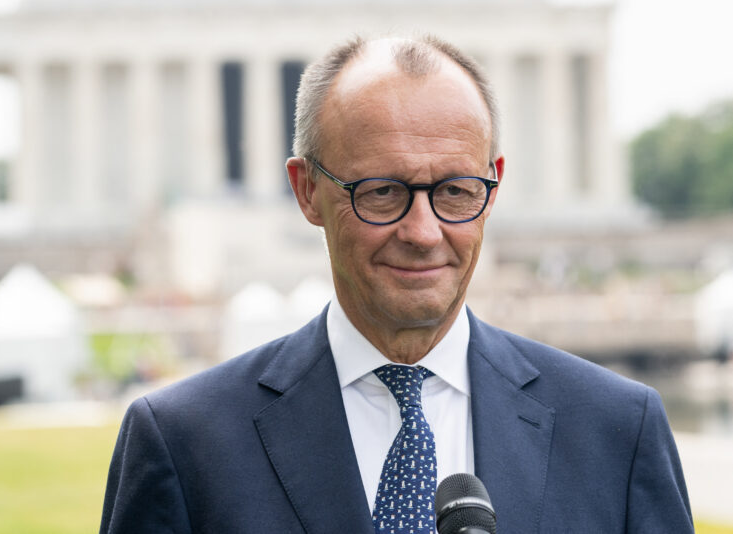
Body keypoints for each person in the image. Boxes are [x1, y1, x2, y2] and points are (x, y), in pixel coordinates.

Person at [100, 35, 693, 533]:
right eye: (382, 192)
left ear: (494, 185)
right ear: (307, 190)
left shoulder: (617, 430)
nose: (423, 231)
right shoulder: (184, 442)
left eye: (456, 191)